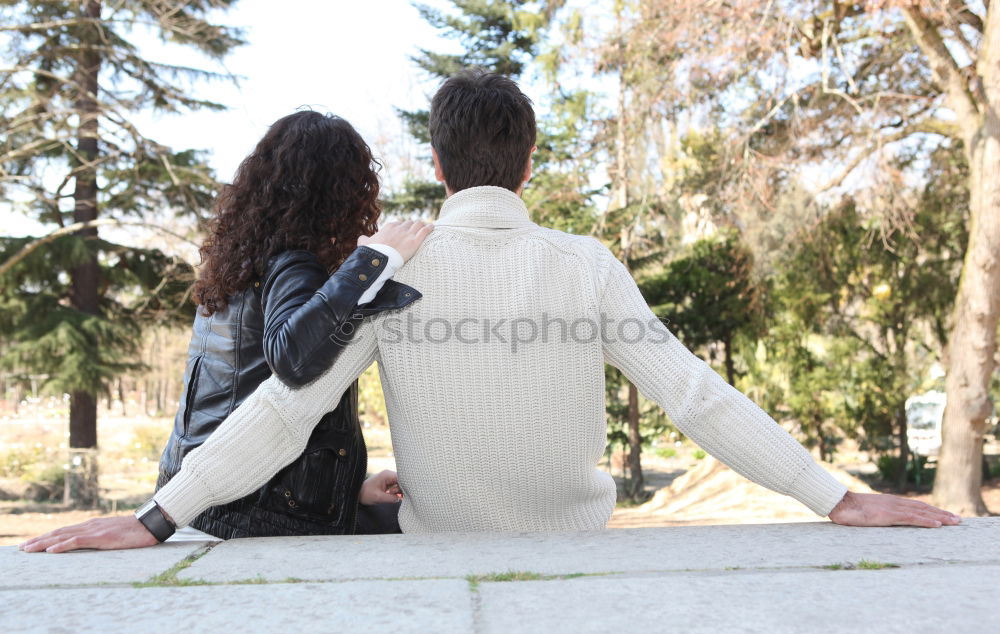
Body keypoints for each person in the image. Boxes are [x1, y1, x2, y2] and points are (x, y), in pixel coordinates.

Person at [22, 70, 958, 553]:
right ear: (529, 159)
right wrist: (837, 496)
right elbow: (696, 398)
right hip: (580, 547)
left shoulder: (386, 273)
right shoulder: (586, 265)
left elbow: (283, 411)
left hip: (437, 548)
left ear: (436, 164)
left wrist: (151, 519)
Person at [28, 110, 433, 550]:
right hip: (260, 511)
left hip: (207, 497)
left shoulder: (238, 270)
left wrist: (348, 487)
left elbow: (241, 397)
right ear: (344, 193)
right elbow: (292, 360)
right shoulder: (296, 266)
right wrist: (371, 262)